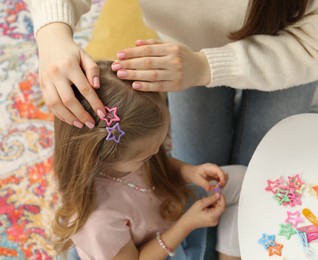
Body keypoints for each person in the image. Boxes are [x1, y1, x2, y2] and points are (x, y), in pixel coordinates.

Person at [24, 0, 318, 166]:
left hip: (293, 49)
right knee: (199, 164)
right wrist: (52, 30)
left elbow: (316, 48)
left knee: (260, 164)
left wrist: (206, 68)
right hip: (185, 47)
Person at [52, 60, 245, 260]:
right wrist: (187, 224)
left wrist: (190, 172)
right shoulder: (97, 221)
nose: (156, 155)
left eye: (158, 147)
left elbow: (159, 165)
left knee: (241, 179)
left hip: (169, 212)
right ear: (104, 159)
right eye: (145, 157)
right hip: (155, 251)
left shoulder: (126, 155)